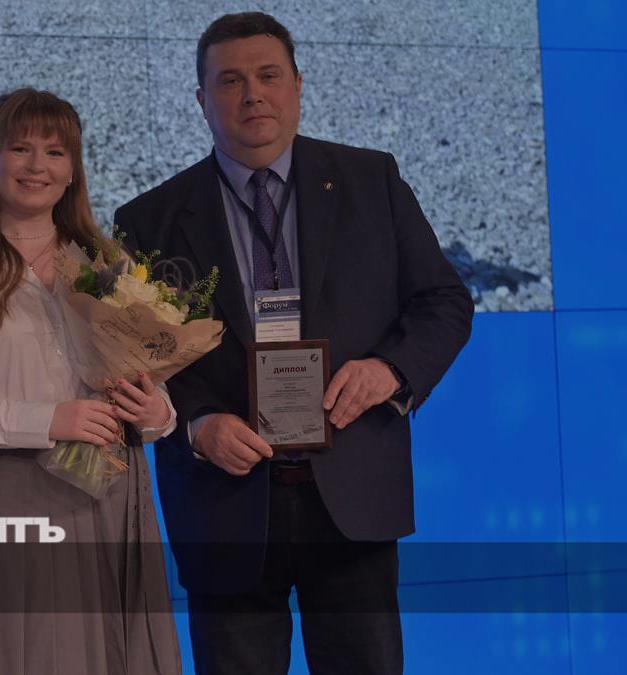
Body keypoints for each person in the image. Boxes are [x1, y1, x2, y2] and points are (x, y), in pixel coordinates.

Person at [116, 12, 474, 674]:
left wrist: (389, 370)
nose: (252, 94)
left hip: (352, 496)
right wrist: (196, 424)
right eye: (230, 81)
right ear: (201, 100)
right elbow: (139, 362)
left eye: (268, 75)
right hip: (225, 505)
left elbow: (444, 302)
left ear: (298, 86)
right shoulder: (149, 220)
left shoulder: (372, 182)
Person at [0, 88, 182, 675]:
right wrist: (47, 420)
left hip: (112, 495)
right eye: (20, 148)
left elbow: (152, 381)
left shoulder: (109, 264)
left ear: (73, 169)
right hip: (13, 496)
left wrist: (156, 412)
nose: (37, 166)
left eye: (55, 152)